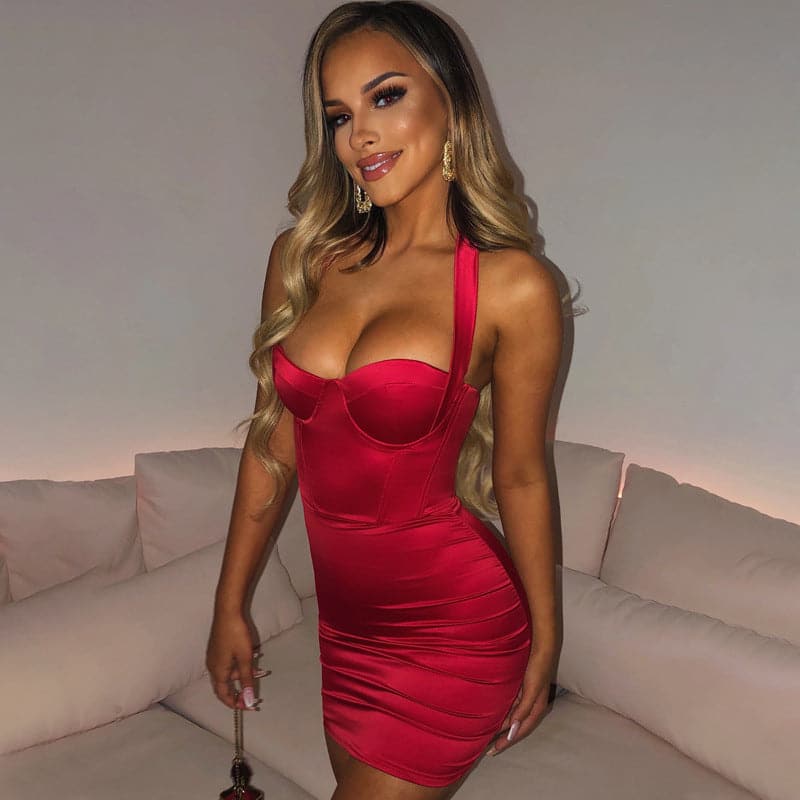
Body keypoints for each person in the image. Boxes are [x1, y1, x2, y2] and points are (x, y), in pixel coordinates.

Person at [206, 2, 563, 798]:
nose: (360, 135)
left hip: (455, 630)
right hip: (346, 630)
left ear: (452, 101)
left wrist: (547, 640)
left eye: (386, 96)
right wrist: (230, 603)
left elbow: (522, 476)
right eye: (340, 115)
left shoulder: (511, 286)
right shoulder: (303, 261)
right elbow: (272, 446)